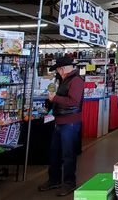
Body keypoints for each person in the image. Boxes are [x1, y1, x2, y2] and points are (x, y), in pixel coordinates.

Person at [39, 56, 84, 196]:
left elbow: (74, 101)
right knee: (55, 153)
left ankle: (69, 183)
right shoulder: (65, 80)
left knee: (68, 154)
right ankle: (54, 179)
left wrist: (55, 98)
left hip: (69, 123)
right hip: (61, 121)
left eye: (58, 69)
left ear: (62, 69)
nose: (58, 72)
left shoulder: (76, 81)